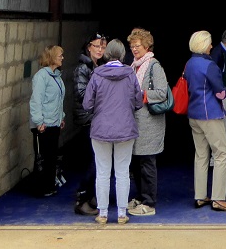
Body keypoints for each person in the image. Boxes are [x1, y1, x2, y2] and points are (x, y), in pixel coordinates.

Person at [82, 38, 142, 225]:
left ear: (107, 54)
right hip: (125, 128)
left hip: (101, 129)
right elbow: (138, 102)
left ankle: (103, 213)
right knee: (123, 172)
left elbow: (87, 104)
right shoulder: (130, 74)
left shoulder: (97, 74)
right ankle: (122, 213)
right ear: (124, 54)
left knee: (102, 172)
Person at [185, 30, 226, 212]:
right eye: (209, 43)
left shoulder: (189, 63)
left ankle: (200, 195)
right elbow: (221, 92)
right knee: (222, 154)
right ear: (204, 45)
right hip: (210, 114)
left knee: (201, 154)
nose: (211, 46)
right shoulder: (209, 65)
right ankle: (218, 198)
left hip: (194, 113)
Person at [127, 28, 167, 217]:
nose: (134, 49)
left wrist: (141, 95)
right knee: (137, 162)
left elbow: (162, 93)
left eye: (137, 46)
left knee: (147, 162)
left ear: (147, 46)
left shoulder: (154, 66)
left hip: (150, 124)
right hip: (136, 122)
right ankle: (141, 197)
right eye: (132, 46)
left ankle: (149, 203)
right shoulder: (134, 66)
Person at [72, 32, 106, 216]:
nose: (100, 49)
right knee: (93, 161)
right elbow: (81, 93)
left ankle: (91, 195)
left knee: (97, 160)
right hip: (87, 120)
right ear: (88, 47)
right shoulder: (82, 68)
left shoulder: (95, 66)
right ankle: (82, 198)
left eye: (102, 46)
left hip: (93, 118)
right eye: (96, 46)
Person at [28, 45, 65, 197]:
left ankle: (49, 185)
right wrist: (39, 122)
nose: (63, 57)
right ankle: (40, 187)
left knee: (51, 157)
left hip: (54, 122)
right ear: (51, 57)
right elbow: (36, 100)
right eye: (60, 55)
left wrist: (61, 117)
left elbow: (58, 100)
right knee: (43, 157)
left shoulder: (56, 76)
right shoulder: (41, 77)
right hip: (44, 125)